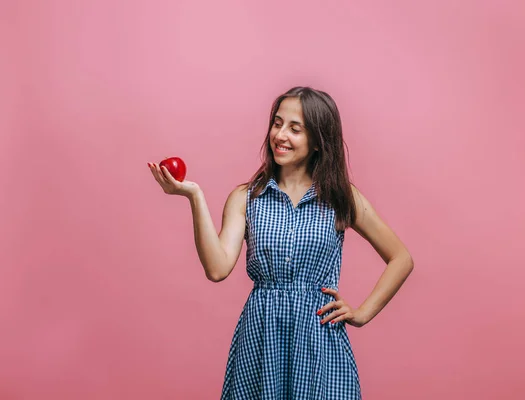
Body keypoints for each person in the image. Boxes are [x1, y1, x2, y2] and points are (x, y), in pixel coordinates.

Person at [148, 86, 414, 399]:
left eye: (294, 128)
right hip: (262, 338)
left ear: (317, 141)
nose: (280, 135)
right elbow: (217, 268)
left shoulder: (341, 198)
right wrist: (194, 196)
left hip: (318, 340)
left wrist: (362, 312)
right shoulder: (246, 198)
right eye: (277, 123)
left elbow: (401, 258)